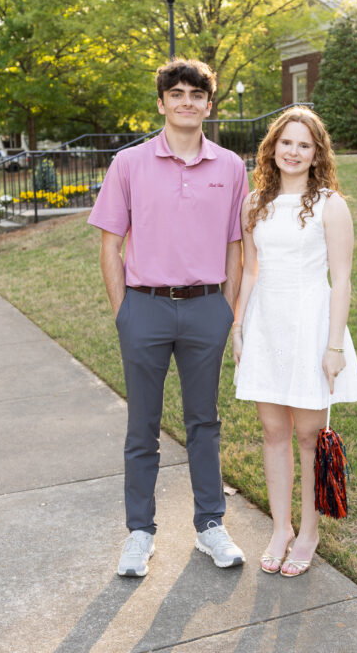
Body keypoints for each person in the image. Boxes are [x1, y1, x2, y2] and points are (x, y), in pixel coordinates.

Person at [88, 58, 248, 577]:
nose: (185, 101)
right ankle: (140, 532)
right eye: (175, 93)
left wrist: (225, 309)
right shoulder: (128, 164)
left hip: (206, 310)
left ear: (208, 104)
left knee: (204, 422)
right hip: (145, 308)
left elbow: (235, 247)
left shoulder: (230, 167)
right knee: (143, 426)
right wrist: (124, 313)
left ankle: (210, 526)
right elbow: (110, 246)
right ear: (161, 102)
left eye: (195, 94)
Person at [233, 107, 357, 577]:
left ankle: (309, 530)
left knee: (309, 436)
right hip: (266, 323)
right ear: (273, 147)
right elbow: (251, 270)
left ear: (316, 154)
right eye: (286, 142)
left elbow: (343, 279)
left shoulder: (331, 204)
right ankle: (281, 527)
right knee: (274, 432)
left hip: (312, 326)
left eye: (303, 145)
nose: (293, 151)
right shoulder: (254, 204)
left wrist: (334, 347)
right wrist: (238, 326)